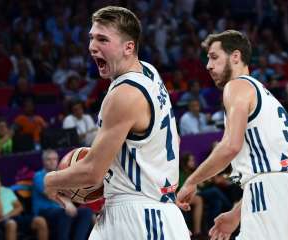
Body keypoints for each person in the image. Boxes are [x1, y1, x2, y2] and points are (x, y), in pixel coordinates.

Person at [44, 6, 190, 239]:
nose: (92, 47)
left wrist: (50, 179)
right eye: (92, 38)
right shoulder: (150, 73)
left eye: (103, 39)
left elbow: (92, 172)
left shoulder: (124, 94)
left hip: (140, 216)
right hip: (136, 209)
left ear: (128, 47)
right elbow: (174, 138)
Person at [177, 30, 288, 240]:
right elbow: (274, 172)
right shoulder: (266, 96)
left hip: (268, 193)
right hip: (284, 192)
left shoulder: (237, 86)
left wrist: (191, 181)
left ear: (235, 56)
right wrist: (237, 213)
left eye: (214, 57)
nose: (208, 66)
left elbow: (230, 146)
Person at [33, 149, 93, 240]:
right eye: (49, 159)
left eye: (54, 159)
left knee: (86, 212)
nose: (52, 162)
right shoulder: (38, 176)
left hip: (60, 209)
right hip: (44, 210)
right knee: (65, 213)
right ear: (44, 161)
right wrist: (67, 204)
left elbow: (70, 192)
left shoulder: (61, 175)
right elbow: (49, 194)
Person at [0, 169, 48, 240]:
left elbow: (19, 208)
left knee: (40, 220)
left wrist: (5, 217)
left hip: (13, 218)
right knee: (11, 224)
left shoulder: (7, 190)